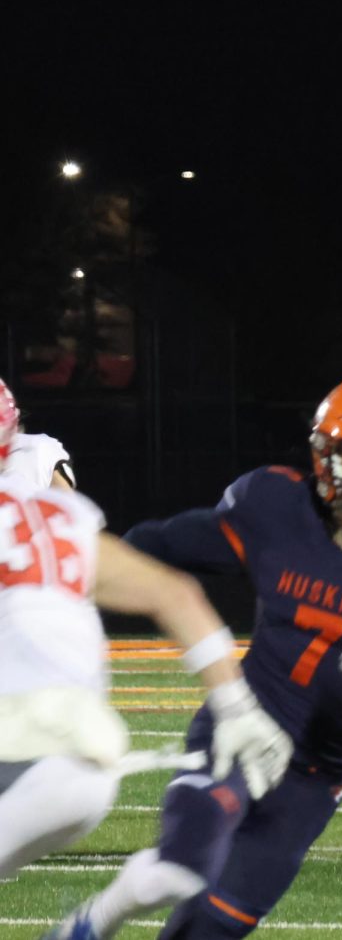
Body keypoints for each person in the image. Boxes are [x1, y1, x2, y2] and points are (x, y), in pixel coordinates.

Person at [47, 372, 342, 938]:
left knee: (214, 927)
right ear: (326, 458)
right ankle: (90, 923)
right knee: (176, 870)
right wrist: (60, 555)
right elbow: (157, 544)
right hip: (241, 723)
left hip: (318, 770)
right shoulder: (276, 506)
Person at [0, 377, 290, 882]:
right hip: (86, 771)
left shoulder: (38, 467)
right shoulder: (55, 518)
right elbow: (175, 594)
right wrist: (236, 707)